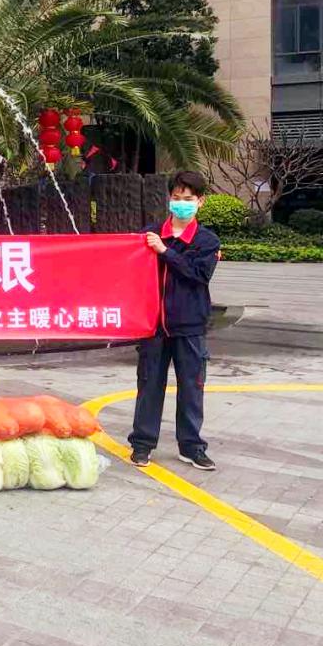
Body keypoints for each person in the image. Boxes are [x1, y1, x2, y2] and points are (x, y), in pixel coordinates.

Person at [128, 170, 220, 472]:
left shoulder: (206, 240)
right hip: (153, 326)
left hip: (190, 326)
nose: (182, 203)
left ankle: (191, 447)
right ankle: (142, 444)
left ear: (200, 202)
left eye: (188, 199)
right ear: (169, 199)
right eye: (177, 197)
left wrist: (165, 252)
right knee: (149, 385)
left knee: (192, 387)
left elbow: (198, 275)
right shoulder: (150, 233)